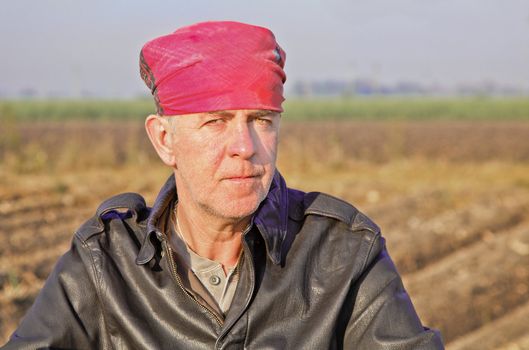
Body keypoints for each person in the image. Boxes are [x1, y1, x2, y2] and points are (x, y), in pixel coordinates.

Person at [3, 21, 444, 349]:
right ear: (164, 139)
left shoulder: (342, 254)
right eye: (215, 122)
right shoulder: (105, 262)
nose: (245, 147)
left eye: (261, 121)